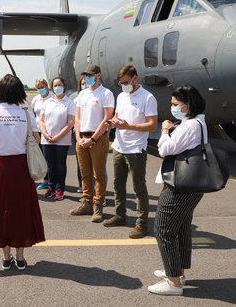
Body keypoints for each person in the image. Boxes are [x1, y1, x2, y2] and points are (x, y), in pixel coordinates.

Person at [0, 74, 45, 270]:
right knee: (21, 210)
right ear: (20, 92)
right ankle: (20, 258)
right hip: (21, 167)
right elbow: (36, 140)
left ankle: (6, 257)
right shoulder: (27, 115)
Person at [148, 85, 207, 296]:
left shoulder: (190, 125)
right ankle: (177, 272)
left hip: (179, 186)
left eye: (175, 104)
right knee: (180, 228)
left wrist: (164, 130)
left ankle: (173, 283)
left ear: (188, 104)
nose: (172, 107)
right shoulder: (198, 122)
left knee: (163, 230)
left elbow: (165, 149)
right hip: (190, 185)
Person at [104, 65, 158, 239]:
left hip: (136, 148)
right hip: (119, 145)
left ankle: (142, 223)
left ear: (135, 78)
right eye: (121, 83)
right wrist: (112, 122)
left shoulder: (148, 97)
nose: (124, 86)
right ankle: (120, 215)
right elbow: (118, 116)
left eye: (126, 82)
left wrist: (129, 126)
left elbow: (152, 125)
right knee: (118, 184)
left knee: (138, 187)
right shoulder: (121, 96)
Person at [70, 64, 114, 223]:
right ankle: (86, 202)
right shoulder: (82, 94)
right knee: (85, 173)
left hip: (98, 139)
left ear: (98, 75)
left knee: (98, 174)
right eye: (86, 76)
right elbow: (78, 117)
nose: (87, 78)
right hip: (81, 138)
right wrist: (78, 137)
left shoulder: (106, 93)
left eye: (90, 75)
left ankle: (98, 205)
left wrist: (93, 139)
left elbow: (107, 118)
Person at [38, 77, 75, 201]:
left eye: (59, 85)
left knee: (60, 165)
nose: (57, 87)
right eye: (55, 85)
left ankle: (60, 188)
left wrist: (58, 137)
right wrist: (45, 134)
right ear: (52, 87)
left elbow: (70, 123)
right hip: (46, 139)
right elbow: (41, 121)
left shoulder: (69, 103)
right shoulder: (47, 102)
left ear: (64, 86)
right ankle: (51, 187)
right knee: (50, 165)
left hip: (62, 141)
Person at [30, 78, 53, 189]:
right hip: (38, 131)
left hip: (49, 131)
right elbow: (34, 115)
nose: (40, 90)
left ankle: (53, 180)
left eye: (42, 87)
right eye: (38, 88)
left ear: (47, 86)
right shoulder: (35, 99)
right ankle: (45, 180)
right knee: (41, 157)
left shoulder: (53, 97)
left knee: (49, 157)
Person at [72, 76, 86, 193]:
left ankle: (97, 192)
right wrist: (78, 137)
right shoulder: (76, 100)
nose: (84, 85)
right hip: (78, 134)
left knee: (96, 166)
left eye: (86, 83)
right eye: (82, 84)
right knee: (80, 162)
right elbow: (75, 119)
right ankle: (82, 185)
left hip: (91, 134)